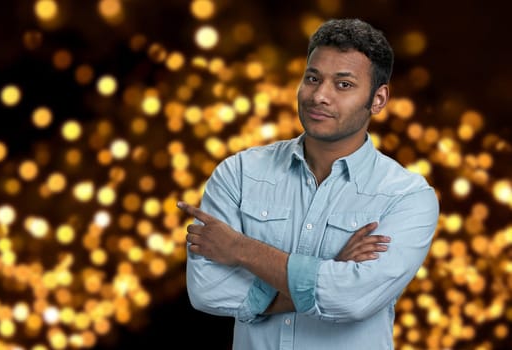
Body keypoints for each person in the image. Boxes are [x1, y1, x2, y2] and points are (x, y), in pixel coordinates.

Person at [177, 17, 439, 350]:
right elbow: (207, 290)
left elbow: (353, 300)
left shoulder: (406, 197)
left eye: (343, 84)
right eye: (312, 78)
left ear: (378, 99)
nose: (319, 96)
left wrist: (240, 249)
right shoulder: (239, 173)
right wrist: (332, 270)